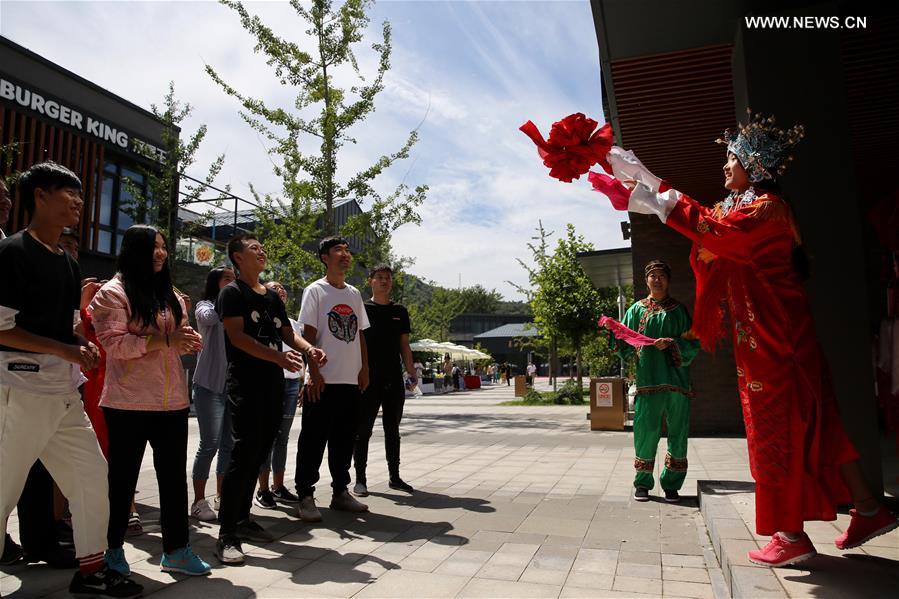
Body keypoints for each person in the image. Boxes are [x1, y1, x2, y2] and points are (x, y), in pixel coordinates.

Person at [603, 111, 898, 566]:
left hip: (775, 339)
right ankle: (870, 508)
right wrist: (643, 178)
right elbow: (706, 221)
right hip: (780, 336)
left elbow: (714, 233)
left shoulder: (766, 210)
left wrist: (657, 199)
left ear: (753, 165)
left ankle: (790, 534)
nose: (723, 167)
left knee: (772, 428)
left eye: (730, 159)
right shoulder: (748, 207)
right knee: (824, 424)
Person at [0, 161, 142, 597]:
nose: (79, 201)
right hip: (18, 391)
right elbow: (2, 328)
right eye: (68, 192)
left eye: (80, 193)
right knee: (2, 491)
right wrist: (65, 348)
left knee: (91, 478)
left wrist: (81, 341)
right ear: (39, 196)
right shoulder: (12, 253)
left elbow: (64, 328)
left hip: (63, 393)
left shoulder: (65, 261)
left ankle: (92, 570)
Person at [90, 225, 210, 577]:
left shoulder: (168, 292)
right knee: (122, 479)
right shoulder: (111, 294)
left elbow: (177, 337)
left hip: (171, 402)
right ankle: (111, 549)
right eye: (153, 247)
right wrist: (165, 341)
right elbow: (113, 345)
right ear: (134, 250)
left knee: (173, 479)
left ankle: (176, 550)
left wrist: (186, 340)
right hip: (127, 403)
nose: (161, 253)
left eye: (164, 246)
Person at [216, 234, 324, 565]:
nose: (261, 252)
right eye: (253, 248)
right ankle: (226, 535)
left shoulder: (272, 297)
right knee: (243, 452)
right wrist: (278, 359)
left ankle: (244, 518)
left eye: (262, 248)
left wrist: (308, 350)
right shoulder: (232, 293)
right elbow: (237, 337)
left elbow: (287, 334)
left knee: (261, 452)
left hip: (273, 386)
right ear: (237, 257)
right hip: (245, 384)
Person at [607, 261, 699, 503]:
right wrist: (613, 331)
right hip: (648, 381)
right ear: (646, 281)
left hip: (677, 382)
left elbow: (693, 342)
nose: (657, 280)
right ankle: (643, 483)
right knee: (646, 432)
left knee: (678, 435)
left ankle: (671, 485)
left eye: (661, 276)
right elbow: (625, 339)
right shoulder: (636, 310)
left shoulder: (679, 311)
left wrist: (672, 343)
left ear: (668, 280)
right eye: (652, 276)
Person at [295, 236, 371, 522]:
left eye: (347, 250)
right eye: (338, 250)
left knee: (344, 440)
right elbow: (309, 335)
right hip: (323, 379)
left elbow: (360, 332)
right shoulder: (315, 291)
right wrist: (312, 373)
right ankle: (305, 494)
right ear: (325, 257)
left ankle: (341, 492)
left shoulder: (353, 293)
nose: (345, 254)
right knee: (313, 440)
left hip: (350, 381)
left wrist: (364, 368)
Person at [352, 265, 417, 497]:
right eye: (379, 278)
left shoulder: (400, 310)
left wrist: (411, 372)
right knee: (363, 429)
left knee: (393, 429)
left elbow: (404, 345)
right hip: (368, 376)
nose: (384, 281)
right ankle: (360, 479)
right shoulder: (361, 308)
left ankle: (395, 477)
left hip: (393, 378)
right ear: (370, 281)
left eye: (388, 278)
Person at [190, 265, 236, 522]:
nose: (231, 282)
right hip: (208, 386)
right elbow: (208, 318)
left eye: (233, 279)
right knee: (209, 445)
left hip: (232, 386)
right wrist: (228, 300)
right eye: (226, 279)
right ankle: (198, 501)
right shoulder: (204, 306)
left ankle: (222, 495)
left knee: (229, 446)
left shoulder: (236, 311)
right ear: (215, 283)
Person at [254, 280, 304, 509]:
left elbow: (300, 352)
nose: (280, 290)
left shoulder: (293, 323)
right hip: (271, 382)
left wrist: (304, 379)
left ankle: (279, 486)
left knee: (282, 438)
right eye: (275, 287)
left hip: (292, 384)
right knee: (266, 437)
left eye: (283, 288)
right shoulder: (262, 319)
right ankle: (262, 489)